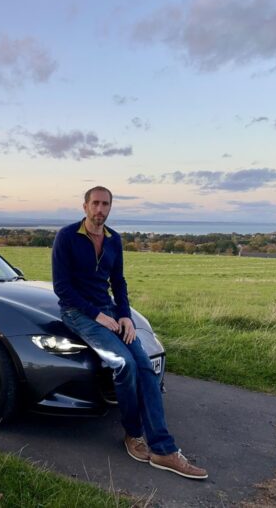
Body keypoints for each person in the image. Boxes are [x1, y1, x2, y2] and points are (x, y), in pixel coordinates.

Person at [51, 186, 207, 480]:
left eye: (105, 204)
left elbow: (118, 281)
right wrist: (96, 315)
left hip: (109, 311)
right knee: (124, 363)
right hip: (77, 313)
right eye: (95, 203)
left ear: (110, 207)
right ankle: (133, 435)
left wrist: (124, 314)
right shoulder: (67, 237)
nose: (100, 209)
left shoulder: (114, 240)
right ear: (84, 206)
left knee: (145, 367)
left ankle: (163, 449)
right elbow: (62, 288)